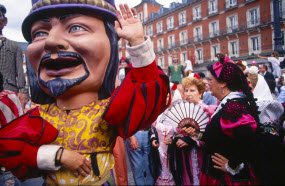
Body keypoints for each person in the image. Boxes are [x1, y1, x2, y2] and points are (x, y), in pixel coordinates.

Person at [0, 1, 170, 185]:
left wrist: (138, 44)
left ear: (111, 41)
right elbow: (7, 148)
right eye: (40, 33)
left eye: (76, 28)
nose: (51, 41)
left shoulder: (108, 109)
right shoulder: (39, 115)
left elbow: (149, 95)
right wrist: (57, 156)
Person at [200, 53, 260, 185]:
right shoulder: (228, 104)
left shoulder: (233, 107)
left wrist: (232, 165)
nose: (207, 83)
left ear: (222, 84)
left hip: (226, 180)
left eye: (211, 80)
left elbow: (249, 141)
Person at [0, 4, 27, 111]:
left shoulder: (14, 46)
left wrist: (23, 92)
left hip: (9, 93)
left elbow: (20, 72)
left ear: (4, 21)